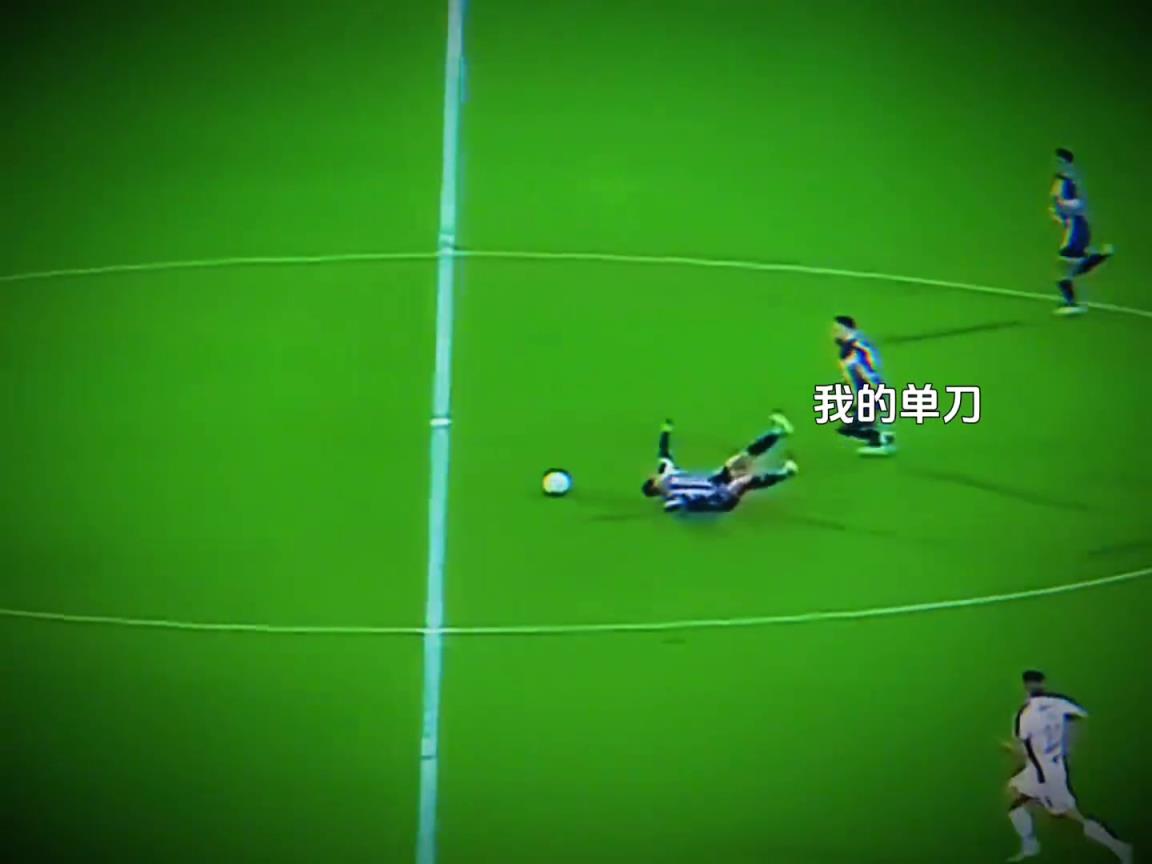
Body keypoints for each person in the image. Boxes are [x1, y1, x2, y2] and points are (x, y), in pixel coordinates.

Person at [1004, 670, 1133, 862]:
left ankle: (1119, 847)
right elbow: (1080, 715)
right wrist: (1063, 739)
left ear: (1025, 687)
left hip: (1043, 774)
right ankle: (1030, 844)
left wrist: (1008, 749)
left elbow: (1024, 749)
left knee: (1070, 814)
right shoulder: (1059, 703)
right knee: (1014, 792)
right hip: (1054, 765)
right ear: (1043, 683)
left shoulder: (1024, 715)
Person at [641, 416, 798, 513]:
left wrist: (665, 431)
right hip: (721, 498)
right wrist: (673, 506)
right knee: (745, 481)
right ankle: (787, 473)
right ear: (655, 487)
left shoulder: (668, 474)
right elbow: (680, 504)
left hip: (716, 480)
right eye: (655, 480)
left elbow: (663, 453)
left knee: (740, 459)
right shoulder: (673, 497)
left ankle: (779, 432)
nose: (657, 477)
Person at [1050, 148, 1114, 315]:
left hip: (1076, 229)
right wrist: (1056, 213)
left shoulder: (1070, 182)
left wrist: (1061, 207)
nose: (1057, 164)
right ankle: (1099, 257)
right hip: (1072, 228)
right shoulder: (1060, 179)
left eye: (1061, 161)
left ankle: (1071, 303)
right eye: (1056, 161)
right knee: (1068, 269)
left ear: (1068, 163)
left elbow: (1077, 204)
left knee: (1064, 270)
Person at [832, 315, 896, 456]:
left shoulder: (853, 348)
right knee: (864, 421)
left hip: (869, 393)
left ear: (846, 329)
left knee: (850, 428)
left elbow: (866, 369)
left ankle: (881, 441)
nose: (834, 333)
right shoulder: (855, 343)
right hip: (866, 393)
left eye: (837, 329)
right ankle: (880, 440)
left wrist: (875, 387)